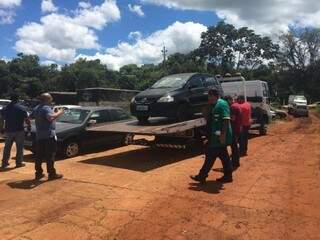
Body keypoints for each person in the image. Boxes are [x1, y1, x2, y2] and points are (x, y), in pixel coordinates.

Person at [190, 89, 233, 183]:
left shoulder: (222, 104)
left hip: (218, 138)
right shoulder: (215, 105)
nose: (208, 98)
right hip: (215, 137)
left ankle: (202, 175)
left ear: (213, 95)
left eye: (209, 96)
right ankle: (228, 176)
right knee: (223, 156)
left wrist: (223, 135)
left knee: (210, 156)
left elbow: (226, 120)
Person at [30, 93, 64, 180]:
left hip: (39, 135)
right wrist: (59, 112)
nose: (52, 100)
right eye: (51, 98)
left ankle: (38, 173)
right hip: (48, 135)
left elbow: (29, 117)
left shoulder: (36, 108)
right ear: (47, 99)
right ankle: (52, 174)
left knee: (39, 155)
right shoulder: (46, 108)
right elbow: (50, 117)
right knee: (50, 155)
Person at [1, 93, 30, 169]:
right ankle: (19, 163)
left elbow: (1, 119)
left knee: (7, 147)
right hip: (19, 130)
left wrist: (1, 129)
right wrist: (29, 127)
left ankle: (4, 163)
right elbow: (27, 120)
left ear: (10, 99)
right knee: (19, 147)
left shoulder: (5, 108)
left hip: (8, 130)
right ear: (18, 99)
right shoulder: (21, 108)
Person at [225, 95, 242, 169]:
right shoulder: (237, 105)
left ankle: (235, 163)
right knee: (235, 146)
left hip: (234, 129)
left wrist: (225, 118)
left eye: (226, 101)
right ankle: (236, 162)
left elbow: (233, 119)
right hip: (238, 128)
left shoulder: (233, 107)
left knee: (234, 147)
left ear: (229, 100)